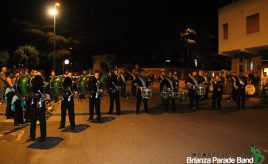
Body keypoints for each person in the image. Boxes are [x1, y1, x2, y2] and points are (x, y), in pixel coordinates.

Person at [29, 73, 46, 142]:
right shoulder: (32, 84)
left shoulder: (43, 85)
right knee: (33, 119)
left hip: (40, 103)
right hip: (34, 102)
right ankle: (32, 135)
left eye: (38, 75)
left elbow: (45, 94)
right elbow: (30, 93)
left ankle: (43, 136)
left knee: (42, 120)